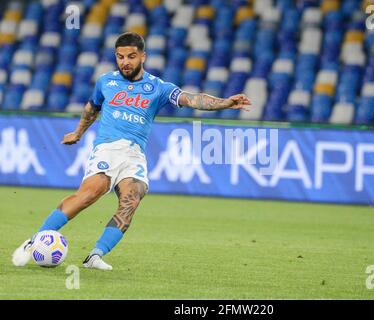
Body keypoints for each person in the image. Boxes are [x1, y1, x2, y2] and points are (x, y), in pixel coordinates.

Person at [12, 32, 252, 270]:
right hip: (107, 148)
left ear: (143, 57)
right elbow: (91, 108)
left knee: (131, 201)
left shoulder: (158, 87)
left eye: (131, 56)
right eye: (120, 57)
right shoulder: (106, 81)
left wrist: (225, 102)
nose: (125, 62)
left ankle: (95, 255)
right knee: (90, 194)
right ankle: (35, 240)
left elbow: (193, 99)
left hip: (134, 154)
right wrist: (78, 133)